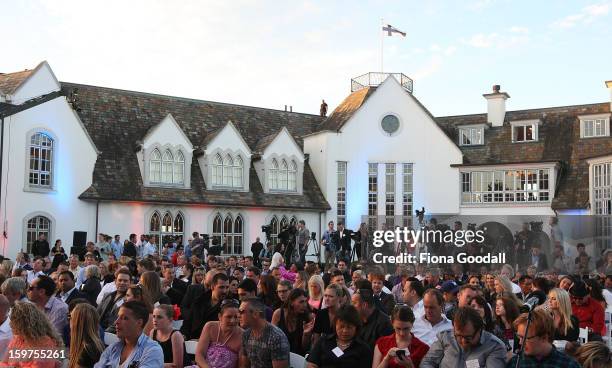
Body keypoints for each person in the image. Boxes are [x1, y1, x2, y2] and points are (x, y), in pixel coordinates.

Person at [420, 307, 506, 368]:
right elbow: (427, 362)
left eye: (468, 337)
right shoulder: (445, 337)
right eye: (458, 336)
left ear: (479, 330)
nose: (463, 341)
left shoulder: (494, 347)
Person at [95, 300, 164, 367]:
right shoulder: (113, 348)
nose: (116, 322)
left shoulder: (152, 350)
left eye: (124, 318)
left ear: (139, 323)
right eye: (118, 317)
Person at [507, 310, 581, 367]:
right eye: (519, 337)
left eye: (525, 338)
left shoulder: (568, 365)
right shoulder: (515, 363)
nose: (520, 342)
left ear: (544, 338)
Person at [1, 301, 64, 368]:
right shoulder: (17, 338)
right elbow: (3, 362)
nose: (10, 324)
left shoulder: (45, 344)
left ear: (24, 324)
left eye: (14, 321)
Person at [307, 304, 372, 368]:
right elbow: (311, 364)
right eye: (341, 326)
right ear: (335, 325)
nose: (345, 330)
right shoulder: (323, 341)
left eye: (349, 327)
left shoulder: (363, 349)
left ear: (356, 327)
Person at [239, 297, 290, 368]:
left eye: (241, 312)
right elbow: (245, 365)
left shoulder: (276, 337)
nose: (238, 315)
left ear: (255, 314)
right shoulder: (246, 334)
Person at [196, 299, 243, 368]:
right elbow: (199, 355)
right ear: (220, 317)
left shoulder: (243, 335)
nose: (232, 321)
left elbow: (242, 366)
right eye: (229, 317)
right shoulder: (210, 326)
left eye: (236, 317)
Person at [181, 272, 229, 340]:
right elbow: (188, 322)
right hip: (193, 342)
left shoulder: (229, 306)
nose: (225, 291)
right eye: (221, 287)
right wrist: (184, 335)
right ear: (212, 286)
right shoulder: (199, 301)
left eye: (227, 287)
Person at [272, 288, 314, 356]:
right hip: (280, 354)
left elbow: (305, 347)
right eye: (301, 302)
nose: (305, 305)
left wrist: (306, 334)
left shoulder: (308, 317)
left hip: (298, 356)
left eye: (306, 301)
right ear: (291, 302)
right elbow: (272, 338)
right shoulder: (278, 314)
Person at [69, 303, 104, 368]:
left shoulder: (86, 351)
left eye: (71, 318)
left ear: (77, 323)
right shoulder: (94, 345)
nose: (69, 321)